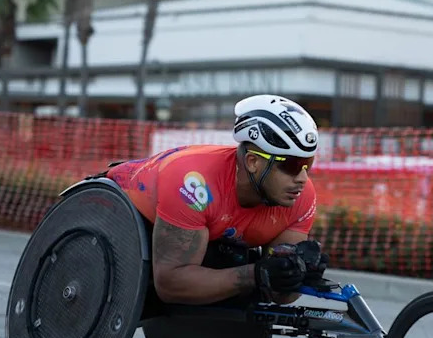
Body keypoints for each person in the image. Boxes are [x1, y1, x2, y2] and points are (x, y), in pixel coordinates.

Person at [106, 94, 329, 306]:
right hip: (118, 207)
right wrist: (257, 273)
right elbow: (170, 284)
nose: (302, 178)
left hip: (209, 231)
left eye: (307, 164)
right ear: (253, 162)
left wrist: (297, 274)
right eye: (289, 166)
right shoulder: (194, 183)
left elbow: (279, 293)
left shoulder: (300, 196)